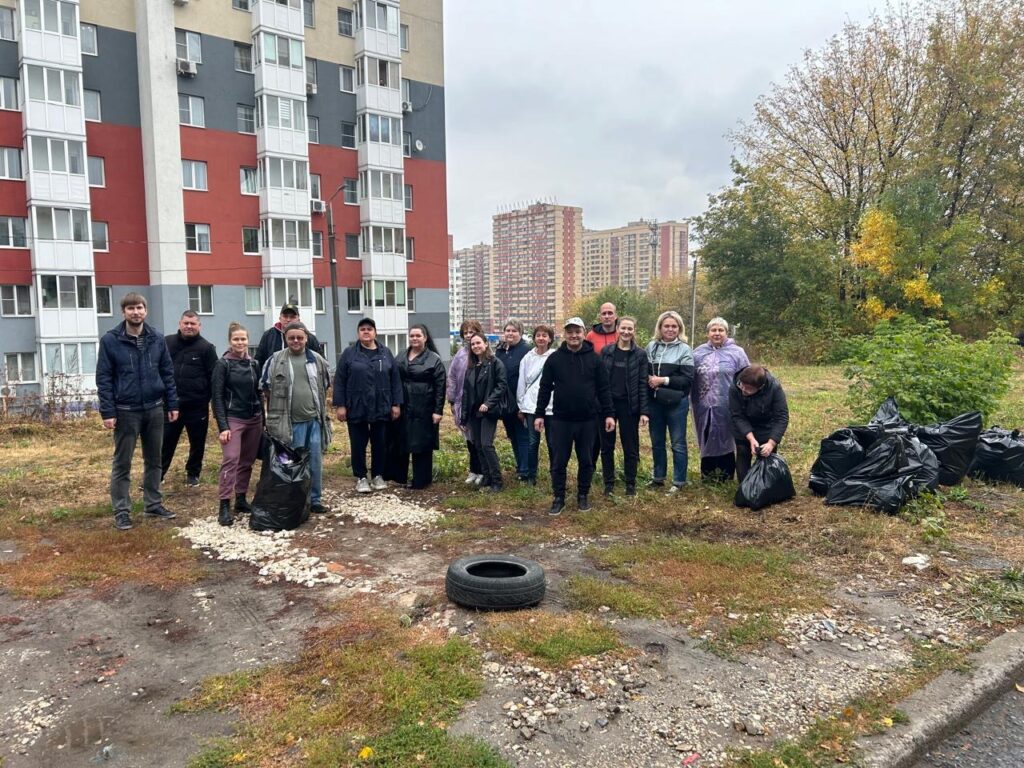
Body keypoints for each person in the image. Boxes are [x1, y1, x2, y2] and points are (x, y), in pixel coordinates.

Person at [96, 292, 179, 530]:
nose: (136, 312)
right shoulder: (111, 340)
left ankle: (153, 504)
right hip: (125, 410)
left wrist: (172, 403)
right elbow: (104, 378)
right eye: (131, 308)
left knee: (155, 460)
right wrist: (108, 411)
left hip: (154, 408)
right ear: (123, 312)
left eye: (140, 307)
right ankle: (122, 510)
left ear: (146, 311)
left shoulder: (156, 338)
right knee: (123, 463)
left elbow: (167, 372)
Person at [535, 317, 614, 516]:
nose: (574, 335)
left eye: (577, 331)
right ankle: (558, 497)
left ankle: (583, 495)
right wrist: (539, 414)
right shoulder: (555, 359)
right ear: (565, 334)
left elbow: (604, 389)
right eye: (570, 332)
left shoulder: (594, 359)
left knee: (586, 460)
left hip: (588, 419)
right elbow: (544, 388)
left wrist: (609, 415)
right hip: (561, 419)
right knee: (559, 461)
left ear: (583, 333)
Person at [261, 321, 333, 513]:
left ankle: (315, 499)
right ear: (285, 338)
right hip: (289, 424)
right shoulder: (275, 360)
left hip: (314, 422)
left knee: (315, 462)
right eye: (291, 337)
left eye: (299, 337)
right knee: (292, 464)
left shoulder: (317, 359)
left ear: (306, 338)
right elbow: (265, 388)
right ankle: (295, 499)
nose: (295, 341)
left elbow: (325, 385)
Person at [333, 317, 402, 493]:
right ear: (358, 333)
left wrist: (396, 404)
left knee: (380, 443)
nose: (366, 332)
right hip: (357, 406)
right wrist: (340, 405)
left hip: (381, 406)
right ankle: (361, 477)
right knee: (358, 443)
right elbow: (340, 381)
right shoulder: (349, 354)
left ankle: (378, 475)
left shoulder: (385, 353)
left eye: (369, 329)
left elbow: (395, 380)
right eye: (362, 329)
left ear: (375, 333)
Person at [211, 322, 263, 526]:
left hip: (254, 418)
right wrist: (223, 426)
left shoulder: (254, 364)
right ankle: (224, 504)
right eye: (236, 339)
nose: (240, 343)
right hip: (234, 418)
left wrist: (264, 420)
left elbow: (259, 392)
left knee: (247, 461)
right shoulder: (223, 364)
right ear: (230, 341)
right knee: (231, 459)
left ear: (248, 341)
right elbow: (216, 397)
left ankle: (241, 499)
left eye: (243, 339)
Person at [161, 310, 217, 486]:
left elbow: (214, 378)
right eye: (186, 323)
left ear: (199, 326)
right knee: (165, 442)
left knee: (197, 443)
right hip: (170, 405)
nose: (189, 326)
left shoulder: (207, 348)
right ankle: (158, 474)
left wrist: (205, 399)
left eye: (193, 323)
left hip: (196, 406)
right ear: (180, 324)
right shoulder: (166, 343)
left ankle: (193, 474)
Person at [691, 317, 750, 480]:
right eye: (713, 330)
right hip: (703, 405)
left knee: (726, 435)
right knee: (707, 433)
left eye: (720, 330)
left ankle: (726, 472)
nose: (717, 333)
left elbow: (746, 377)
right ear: (708, 333)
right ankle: (708, 472)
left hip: (728, 404)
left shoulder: (737, 353)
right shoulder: (698, 353)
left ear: (726, 332)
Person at [600, 316, 650, 497]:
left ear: (634, 331)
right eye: (623, 328)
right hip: (608, 407)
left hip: (629, 406)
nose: (626, 332)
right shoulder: (606, 352)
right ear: (618, 329)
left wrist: (644, 411)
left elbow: (643, 384)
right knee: (607, 446)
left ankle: (630, 483)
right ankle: (609, 483)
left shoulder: (640, 355)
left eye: (630, 329)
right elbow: (601, 382)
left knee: (631, 447)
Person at [646, 310, 695, 493]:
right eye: (666, 325)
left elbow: (687, 380)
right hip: (655, 402)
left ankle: (679, 481)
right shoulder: (651, 347)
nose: (670, 329)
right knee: (657, 441)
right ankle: (658, 477)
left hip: (677, 403)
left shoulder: (684, 349)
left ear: (679, 328)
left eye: (674, 326)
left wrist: (663, 380)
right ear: (660, 327)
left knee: (678, 443)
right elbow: (645, 371)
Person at [395, 324, 446, 489]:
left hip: (424, 407)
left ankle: (421, 480)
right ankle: (399, 477)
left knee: (422, 443)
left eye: (418, 336)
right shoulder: (401, 355)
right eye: (412, 336)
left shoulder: (433, 359)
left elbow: (440, 386)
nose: (414, 339)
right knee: (402, 441)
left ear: (425, 338)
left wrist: (438, 411)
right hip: (404, 405)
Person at [461, 332, 508, 492]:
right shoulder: (472, 366)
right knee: (478, 445)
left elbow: (501, 386)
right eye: (472, 344)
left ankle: (497, 481)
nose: (475, 346)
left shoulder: (495, 363)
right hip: (474, 413)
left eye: (478, 343)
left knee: (487, 445)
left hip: (488, 411)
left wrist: (488, 403)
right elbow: (466, 393)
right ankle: (486, 478)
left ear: (486, 344)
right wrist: (463, 417)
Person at [729, 364, 790, 483]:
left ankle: (766, 487)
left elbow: (781, 417)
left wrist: (771, 443)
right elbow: (737, 415)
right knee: (742, 450)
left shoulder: (774, 388)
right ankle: (745, 488)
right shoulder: (734, 387)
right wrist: (751, 438)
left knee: (767, 454)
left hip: (766, 424)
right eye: (742, 385)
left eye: (748, 389)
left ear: (760, 387)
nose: (743, 390)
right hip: (743, 424)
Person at [447, 319, 485, 486]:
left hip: (480, 405)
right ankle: (473, 470)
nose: (469, 335)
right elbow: (452, 377)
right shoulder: (460, 355)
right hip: (463, 403)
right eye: (466, 332)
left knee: (481, 441)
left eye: (472, 331)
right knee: (469, 440)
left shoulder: (484, 354)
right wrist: (452, 399)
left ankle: (483, 471)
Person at [516, 324, 556, 486]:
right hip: (531, 406)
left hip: (552, 406)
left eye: (544, 335)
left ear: (550, 339)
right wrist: (521, 405)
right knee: (533, 442)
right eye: (538, 335)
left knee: (553, 443)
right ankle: (532, 475)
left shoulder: (555, 356)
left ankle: (556, 474)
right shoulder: (527, 357)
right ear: (534, 338)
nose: (541, 338)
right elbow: (522, 381)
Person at [495, 318, 531, 480]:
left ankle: (525, 470)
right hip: (505, 402)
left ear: (521, 333)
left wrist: (523, 403)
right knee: (512, 435)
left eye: (514, 331)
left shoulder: (526, 350)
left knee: (523, 436)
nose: (510, 333)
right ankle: (520, 466)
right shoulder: (501, 351)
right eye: (508, 330)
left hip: (521, 401)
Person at [254, 303, 323, 372]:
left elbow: (321, 362)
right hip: (275, 379)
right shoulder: (269, 336)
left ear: (298, 319)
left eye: (292, 317)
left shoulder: (309, 337)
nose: (288, 320)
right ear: (280, 318)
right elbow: (259, 361)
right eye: (285, 316)